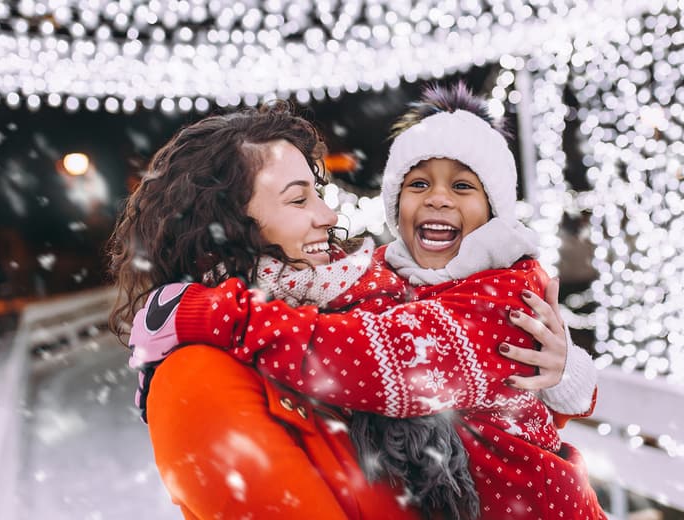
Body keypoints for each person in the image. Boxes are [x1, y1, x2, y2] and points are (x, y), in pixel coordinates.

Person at [128, 84, 606, 519]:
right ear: (227, 223)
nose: (329, 213)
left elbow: (426, 373)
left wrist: (566, 372)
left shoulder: (360, 307)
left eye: (463, 186)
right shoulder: (198, 377)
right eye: (299, 200)